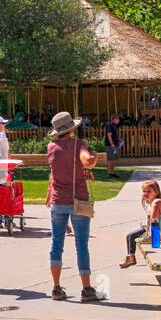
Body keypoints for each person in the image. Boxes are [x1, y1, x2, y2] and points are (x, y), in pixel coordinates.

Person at [46, 111, 103, 302]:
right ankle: (86, 289)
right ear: (71, 129)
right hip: (78, 199)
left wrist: (81, 172)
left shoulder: (51, 147)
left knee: (56, 243)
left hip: (58, 201)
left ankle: (56, 288)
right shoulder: (79, 144)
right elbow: (88, 162)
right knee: (81, 245)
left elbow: (59, 171)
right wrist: (94, 156)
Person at [120, 181, 161, 269]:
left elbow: (156, 221)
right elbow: (149, 219)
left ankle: (131, 257)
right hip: (150, 229)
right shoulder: (149, 202)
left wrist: (152, 235)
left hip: (158, 231)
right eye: (144, 191)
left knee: (132, 236)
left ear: (156, 192)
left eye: (149, 191)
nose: (145, 193)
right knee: (130, 235)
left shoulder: (157, 203)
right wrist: (145, 225)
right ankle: (131, 257)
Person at [103, 114, 121, 179]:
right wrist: (112, 143)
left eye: (118, 119)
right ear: (114, 119)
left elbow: (113, 135)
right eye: (117, 118)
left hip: (115, 145)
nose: (118, 120)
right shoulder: (110, 125)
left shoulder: (115, 126)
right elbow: (109, 135)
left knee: (113, 159)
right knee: (110, 159)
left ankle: (112, 173)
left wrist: (118, 140)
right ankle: (109, 173)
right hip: (110, 145)